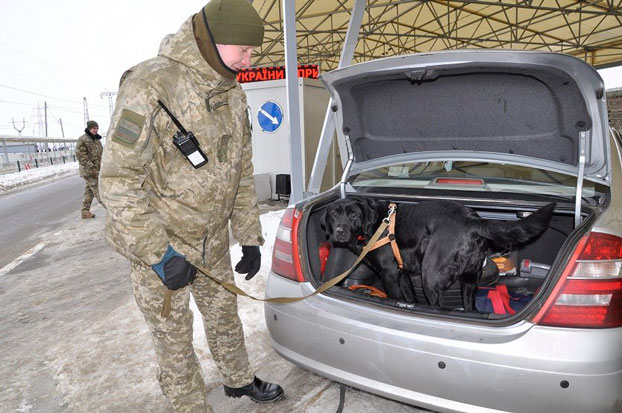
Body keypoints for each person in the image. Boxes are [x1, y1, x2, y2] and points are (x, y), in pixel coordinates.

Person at [98, 1, 283, 412]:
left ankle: (237, 381)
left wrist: (249, 236)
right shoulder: (149, 85)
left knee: (224, 316)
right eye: (244, 50)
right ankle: (190, 407)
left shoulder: (230, 91)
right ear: (213, 40)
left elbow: (240, 169)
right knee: (174, 337)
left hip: (212, 240)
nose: (250, 61)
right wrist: (158, 254)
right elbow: (116, 181)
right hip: (163, 247)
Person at [75, 120, 103, 219]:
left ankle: (85, 212)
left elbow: (101, 154)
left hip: (97, 170)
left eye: (97, 128)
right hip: (89, 171)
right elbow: (80, 155)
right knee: (99, 190)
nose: (95, 130)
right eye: (94, 128)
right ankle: (111, 210)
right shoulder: (83, 139)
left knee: (89, 191)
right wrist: (91, 167)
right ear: (89, 128)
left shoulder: (97, 140)